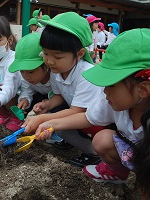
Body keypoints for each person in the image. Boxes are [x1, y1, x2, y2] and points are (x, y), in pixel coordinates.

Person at [27, 28, 150, 199]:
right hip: (138, 153)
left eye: (110, 85)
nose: (104, 91)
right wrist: (51, 124)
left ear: (143, 89)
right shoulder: (113, 102)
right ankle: (118, 173)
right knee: (102, 140)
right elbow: (86, 117)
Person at [21, 12, 105, 167]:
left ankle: (94, 153)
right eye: (46, 53)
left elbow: (77, 112)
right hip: (79, 114)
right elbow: (60, 95)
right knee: (53, 117)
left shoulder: (86, 74)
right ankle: (72, 142)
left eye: (58, 57)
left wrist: (42, 119)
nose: (50, 61)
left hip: (96, 123)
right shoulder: (57, 70)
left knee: (57, 124)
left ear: (79, 54)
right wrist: (48, 105)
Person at [8, 32, 69, 143]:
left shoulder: (55, 76)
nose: (26, 76)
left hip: (56, 99)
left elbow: (60, 95)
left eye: (31, 71)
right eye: (22, 71)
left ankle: (58, 132)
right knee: (24, 104)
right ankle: (21, 122)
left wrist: (48, 103)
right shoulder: (26, 78)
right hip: (40, 97)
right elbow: (26, 90)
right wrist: (25, 99)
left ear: (46, 65)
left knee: (58, 107)